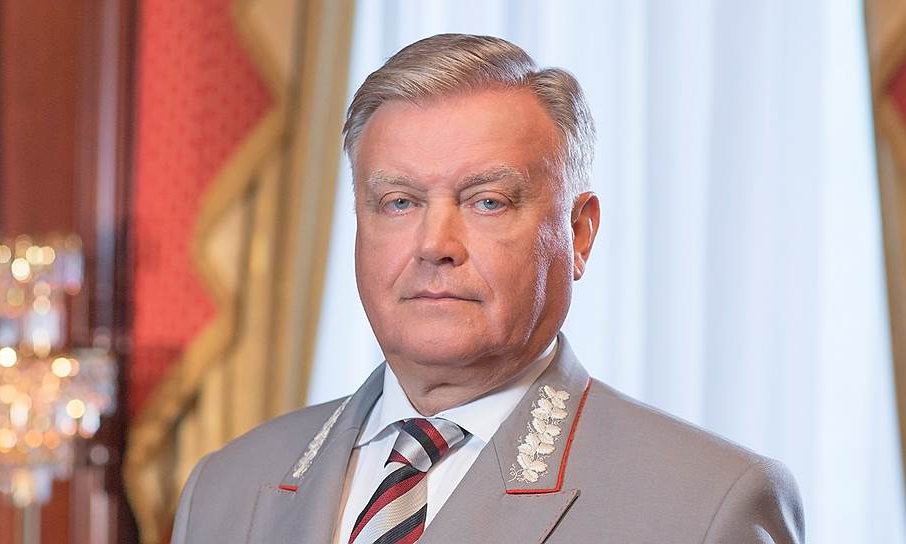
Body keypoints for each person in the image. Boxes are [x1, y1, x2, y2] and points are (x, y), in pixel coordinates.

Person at [170, 33, 804, 543]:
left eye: (488, 201)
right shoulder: (225, 488)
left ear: (579, 234)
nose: (435, 244)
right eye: (398, 202)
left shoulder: (705, 506)